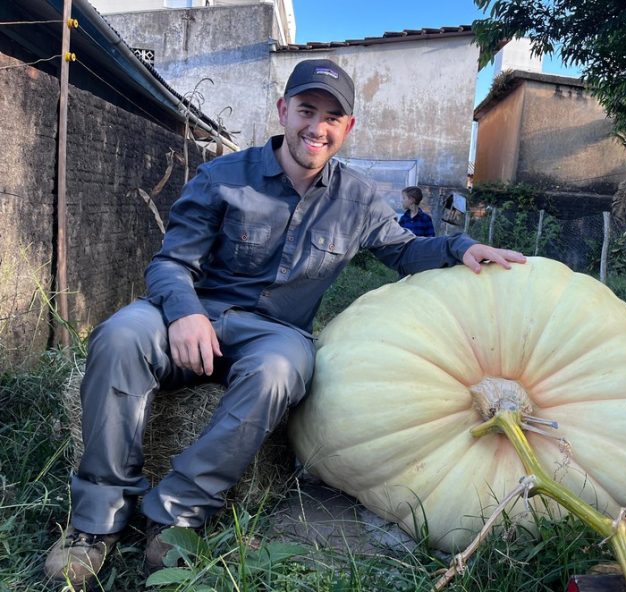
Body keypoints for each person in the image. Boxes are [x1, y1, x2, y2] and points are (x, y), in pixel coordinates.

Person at [43, 58, 525, 587]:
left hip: (272, 334)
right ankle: (96, 520)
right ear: (283, 111)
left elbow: (406, 252)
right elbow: (171, 263)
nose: (316, 127)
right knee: (118, 335)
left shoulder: (358, 200)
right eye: (306, 110)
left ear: (347, 128)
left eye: (332, 117)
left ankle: (177, 513)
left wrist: (462, 247)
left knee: (285, 367)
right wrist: (184, 315)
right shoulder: (224, 176)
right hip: (192, 310)